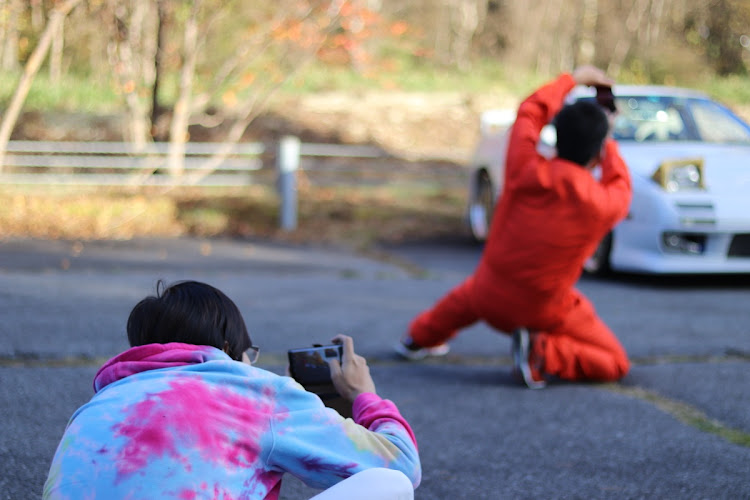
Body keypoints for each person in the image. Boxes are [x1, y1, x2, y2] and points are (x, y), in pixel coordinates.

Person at [44, 280, 420, 499]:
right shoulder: (250, 392)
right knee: (388, 483)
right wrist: (363, 396)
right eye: (249, 354)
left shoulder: (99, 405)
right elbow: (401, 463)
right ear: (228, 350)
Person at [395, 66, 632, 389]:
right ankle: (542, 352)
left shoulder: (525, 169)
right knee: (614, 361)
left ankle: (417, 339)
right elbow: (619, 180)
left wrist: (571, 80)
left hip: (487, 295)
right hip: (543, 310)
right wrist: (607, 138)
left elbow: (529, 112)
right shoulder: (603, 203)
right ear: (596, 155)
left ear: (557, 136)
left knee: (464, 298)